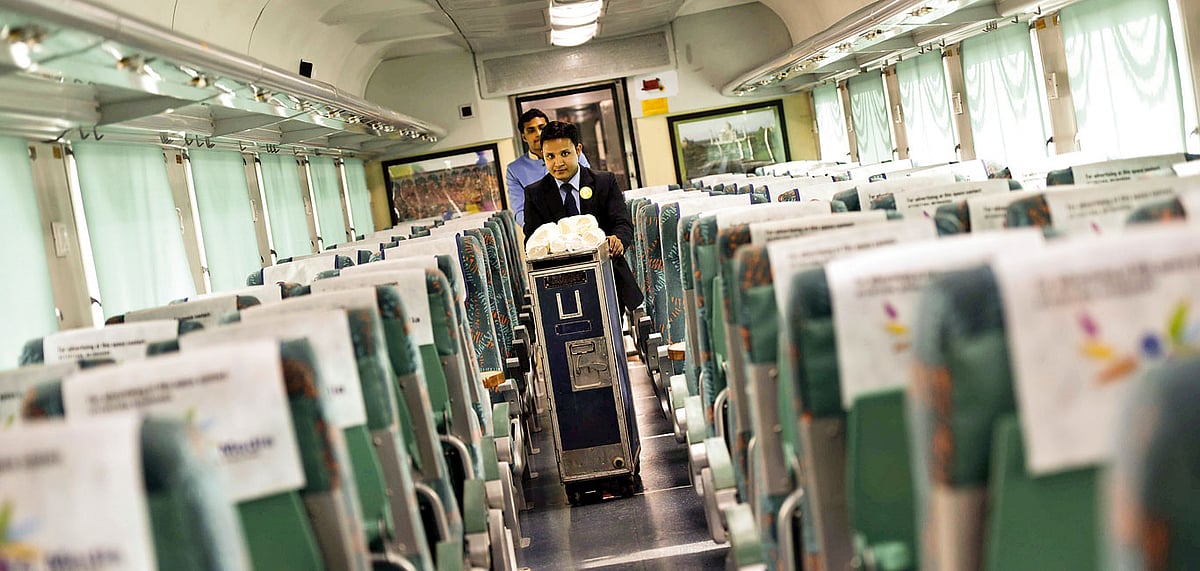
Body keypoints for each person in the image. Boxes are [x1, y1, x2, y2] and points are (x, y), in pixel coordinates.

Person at [522, 121, 642, 313]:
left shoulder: (604, 182)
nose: (558, 163)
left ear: (578, 150)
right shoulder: (534, 194)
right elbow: (531, 239)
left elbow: (622, 223)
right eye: (550, 156)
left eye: (564, 153)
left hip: (609, 277)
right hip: (559, 287)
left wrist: (618, 240)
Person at [505, 108, 588, 226]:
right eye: (531, 130)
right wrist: (542, 232)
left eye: (541, 128)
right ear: (524, 137)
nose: (538, 134)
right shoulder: (514, 170)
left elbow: (590, 186)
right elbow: (520, 211)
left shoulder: (573, 154)